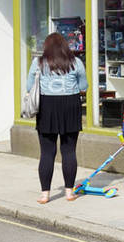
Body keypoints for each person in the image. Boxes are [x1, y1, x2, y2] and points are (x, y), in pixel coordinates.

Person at [28, 32, 88, 204]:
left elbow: (28, 86)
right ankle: (69, 192)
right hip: (70, 106)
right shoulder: (75, 62)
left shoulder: (38, 63)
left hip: (47, 107)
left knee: (47, 152)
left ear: (46, 47)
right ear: (65, 46)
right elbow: (84, 86)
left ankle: (45, 195)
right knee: (69, 151)